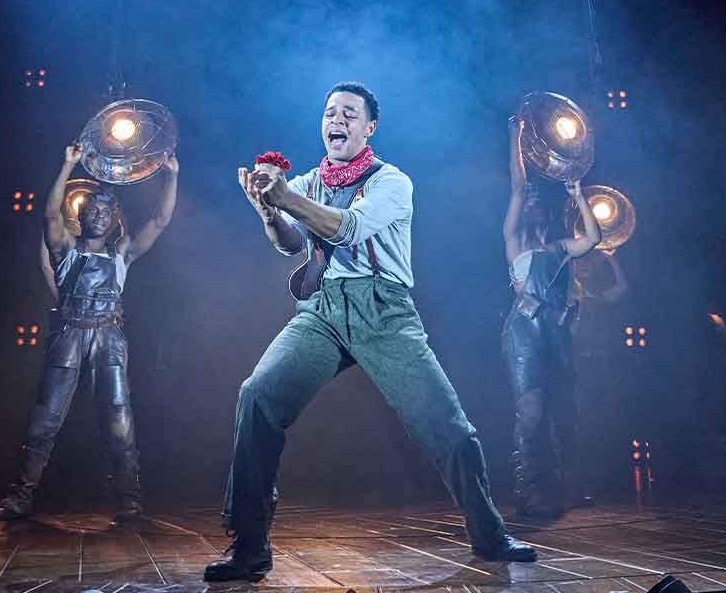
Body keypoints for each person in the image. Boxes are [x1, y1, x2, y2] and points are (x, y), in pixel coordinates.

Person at [205, 82, 535, 583]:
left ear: (369, 127)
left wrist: (288, 195)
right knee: (258, 396)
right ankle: (249, 546)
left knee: (447, 427)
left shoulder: (392, 182)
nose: (336, 120)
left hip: (384, 312)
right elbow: (291, 243)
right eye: (330, 112)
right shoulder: (314, 180)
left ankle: (489, 533)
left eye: (349, 114)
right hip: (323, 311)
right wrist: (269, 211)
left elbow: (347, 229)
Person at [0, 144, 179, 522]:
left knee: (120, 420)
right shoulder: (66, 251)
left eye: (106, 212)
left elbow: (159, 221)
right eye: (93, 210)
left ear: (112, 220)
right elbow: (48, 215)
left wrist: (171, 176)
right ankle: (21, 497)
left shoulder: (120, 254)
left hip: (109, 338)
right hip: (69, 335)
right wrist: (68, 164)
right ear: (83, 214)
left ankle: (129, 500)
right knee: (46, 419)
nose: (99, 216)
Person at [501, 117, 601, 517]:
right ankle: (528, 489)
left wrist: (579, 195)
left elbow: (593, 238)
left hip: (556, 333)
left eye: (538, 205)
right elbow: (518, 186)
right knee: (532, 412)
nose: (532, 206)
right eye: (529, 204)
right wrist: (516, 137)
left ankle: (568, 488)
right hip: (524, 331)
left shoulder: (561, 246)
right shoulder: (515, 242)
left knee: (565, 410)